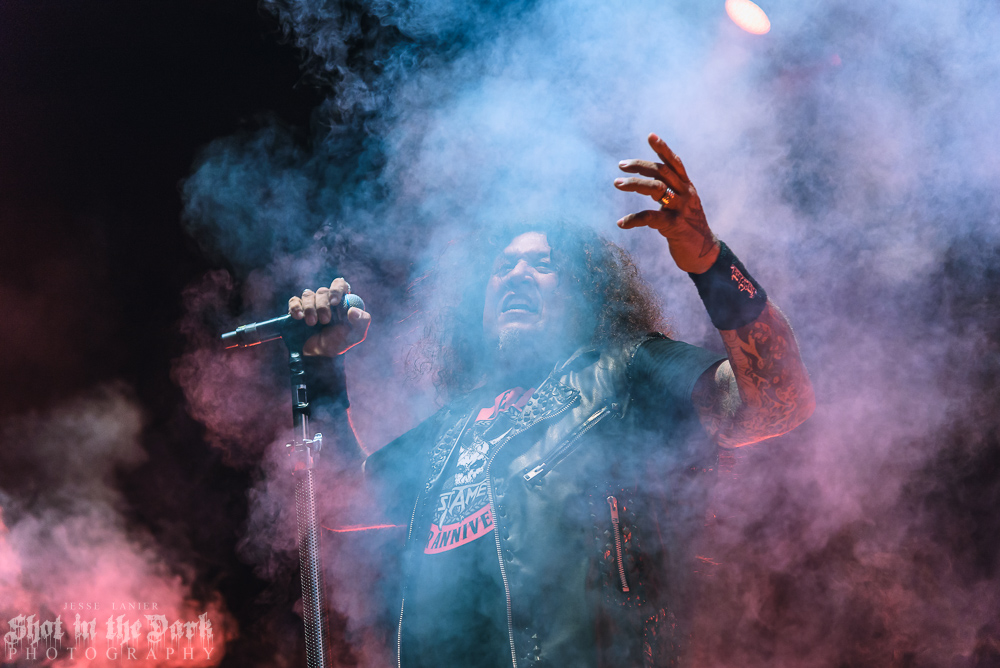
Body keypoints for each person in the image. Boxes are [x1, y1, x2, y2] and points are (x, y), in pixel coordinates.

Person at [288, 133, 816, 667]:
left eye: (542, 264)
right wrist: (322, 366)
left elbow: (779, 402)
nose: (517, 275)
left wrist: (710, 262)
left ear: (588, 292)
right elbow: (335, 500)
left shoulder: (626, 370)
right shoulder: (455, 427)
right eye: (502, 267)